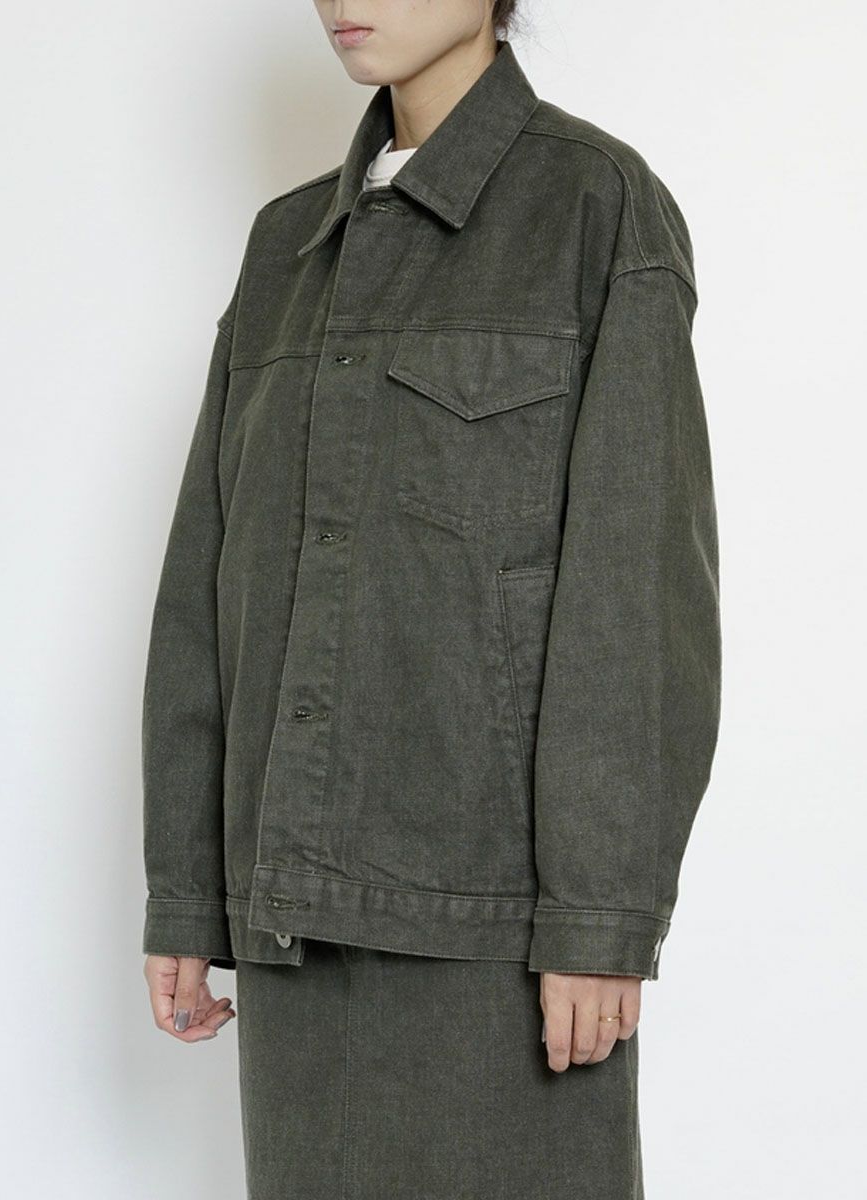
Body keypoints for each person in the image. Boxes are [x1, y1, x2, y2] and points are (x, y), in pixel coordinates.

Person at [141, 3, 721, 1197]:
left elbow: (637, 588)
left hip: (500, 933)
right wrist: (188, 894)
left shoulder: (595, 206)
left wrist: (599, 918)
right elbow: (207, 581)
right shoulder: (284, 245)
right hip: (292, 921)